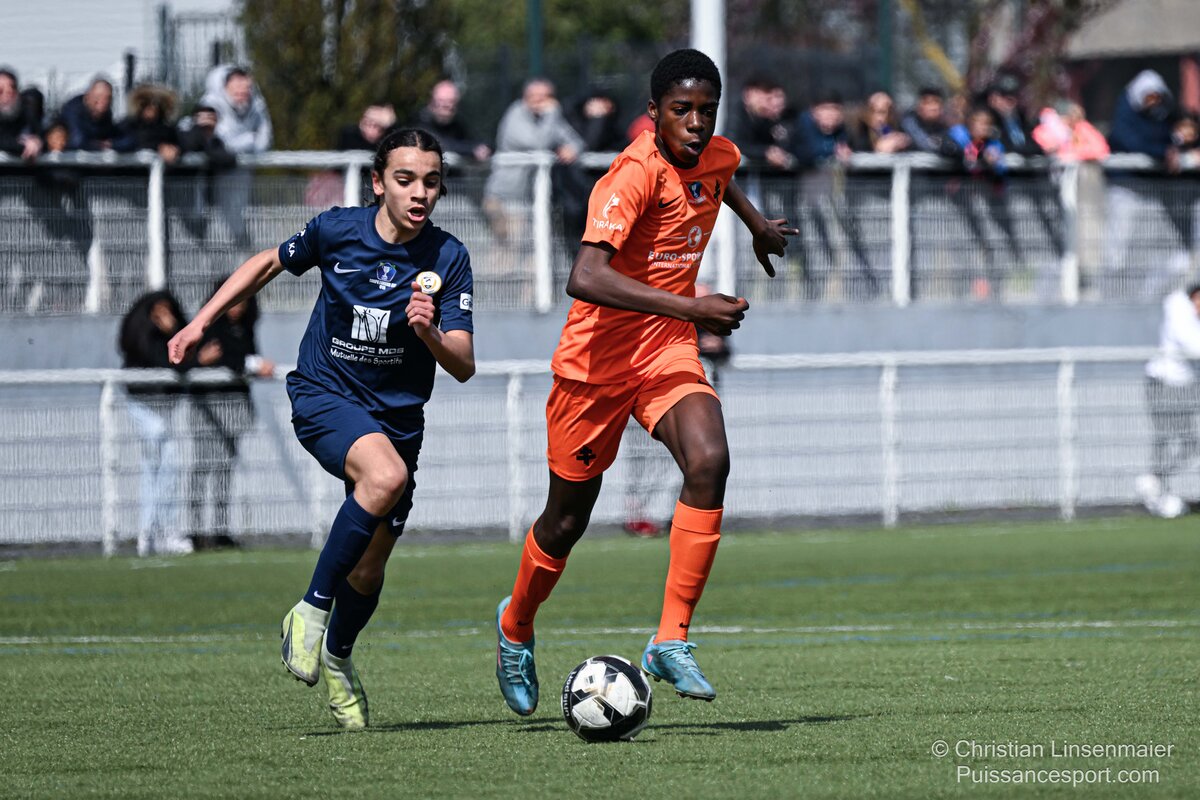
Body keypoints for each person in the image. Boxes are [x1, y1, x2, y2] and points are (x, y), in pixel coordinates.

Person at [493, 49, 795, 715]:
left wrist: (758, 227)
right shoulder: (630, 176)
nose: (696, 122)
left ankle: (670, 639)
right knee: (566, 521)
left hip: (664, 351)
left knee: (709, 459)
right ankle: (515, 626)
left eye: (707, 111)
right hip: (594, 365)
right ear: (654, 113)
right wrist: (693, 305)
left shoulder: (718, 154)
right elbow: (585, 276)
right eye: (681, 110)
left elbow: (722, 178)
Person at [168, 128, 475, 731]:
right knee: (384, 478)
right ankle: (308, 612)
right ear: (378, 183)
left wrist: (430, 333)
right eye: (405, 179)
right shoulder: (337, 230)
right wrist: (201, 321)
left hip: (398, 419)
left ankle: (337, 656)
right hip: (324, 395)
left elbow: (463, 363)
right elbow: (267, 263)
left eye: (431, 181)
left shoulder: (448, 257)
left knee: (369, 567)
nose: (419, 193)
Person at [187, 281, 275, 549]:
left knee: (225, 468)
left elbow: (240, 355)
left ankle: (220, 529)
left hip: (233, 407)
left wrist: (249, 362)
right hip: (208, 406)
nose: (237, 308)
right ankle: (195, 531)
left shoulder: (245, 327)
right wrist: (250, 363)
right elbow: (225, 355)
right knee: (203, 466)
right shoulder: (210, 326)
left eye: (242, 302)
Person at [119, 290, 194, 556]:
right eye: (158, 312)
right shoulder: (141, 339)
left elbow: (182, 364)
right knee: (161, 462)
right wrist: (168, 332)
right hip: (143, 405)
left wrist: (175, 333)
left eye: (168, 311)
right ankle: (153, 532)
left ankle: (156, 532)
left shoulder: (174, 333)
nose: (165, 317)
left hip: (164, 408)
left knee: (163, 466)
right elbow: (162, 362)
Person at [483, 78, 584, 244]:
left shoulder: (548, 119)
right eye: (535, 96)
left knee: (525, 252)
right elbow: (538, 143)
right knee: (510, 250)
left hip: (529, 199)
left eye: (546, 97)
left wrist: (572, 149)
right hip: (504, 198)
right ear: (525, 96)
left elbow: (576, 141)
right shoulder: (515, 115)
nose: (540, 101)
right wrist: (552, 113)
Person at [1137, 284, 1200, 519]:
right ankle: (1155, 485)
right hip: (1164, 383)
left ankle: (1155, 481)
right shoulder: (1179, 308)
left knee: (1189, 443)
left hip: (1184, 385)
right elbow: (1192, 345)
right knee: (1166, 438)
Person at [411, 80, 491, 162]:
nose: (446, 107)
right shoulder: (421, 121)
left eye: (451, 102)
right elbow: (439, 143)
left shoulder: (457, 123)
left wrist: (483, 148)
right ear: (431, 102)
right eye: (441, 102)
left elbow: (477, 139)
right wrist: (472, 149)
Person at [114, 84, 180, 162]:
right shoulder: (127, 125)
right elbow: (118, 142)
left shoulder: (168, 130)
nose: (152, 108)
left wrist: (174, 150)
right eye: (148, 104)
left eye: (157, 104)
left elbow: (179, 145)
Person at [61, 77, 118, 151]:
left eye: (108, 98)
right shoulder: (72, 111)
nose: (103, 101)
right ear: (88, 96)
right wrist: (103, 145)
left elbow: (112, 136)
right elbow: (77, 142)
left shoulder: (106, 114)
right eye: (98, 96)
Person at [900, 86, 959, 157]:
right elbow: (924, 145)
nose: (933, 108)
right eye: (928, 103)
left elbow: (955, 149)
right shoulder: (908, 123)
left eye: (936, 102)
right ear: (919, 107)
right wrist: (940, 145)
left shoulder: (944, 126)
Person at [0, 67, 42, 160]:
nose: (7, 95)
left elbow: (45, 134)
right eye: (0, 91)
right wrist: (22, 144)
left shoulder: (27, 111)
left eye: (12, 89)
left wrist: (37, 141)